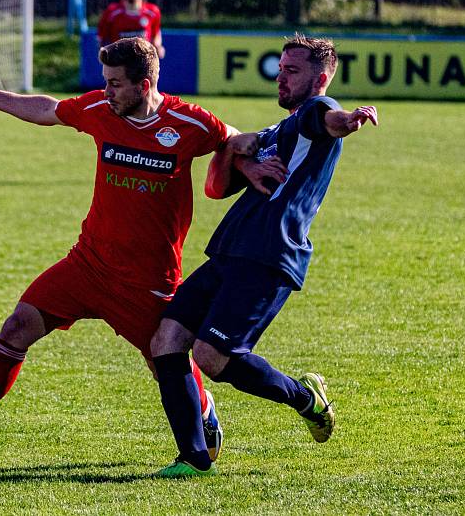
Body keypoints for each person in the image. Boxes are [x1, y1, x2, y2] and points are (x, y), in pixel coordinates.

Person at [0, 37, 262, 463]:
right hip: (88, 265)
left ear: (144, 84)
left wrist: (252, 163)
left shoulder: (189, 123)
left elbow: (234, 140)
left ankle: (203, 415)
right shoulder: (100, 110)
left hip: (147, 281)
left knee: (166, 362)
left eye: (115, 83)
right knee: (18, 325)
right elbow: (48, 109)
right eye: (105, 82)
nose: (106, 91)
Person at [149, 33, 380, 477]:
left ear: (322, 78)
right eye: (281, 69)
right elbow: (217, 184)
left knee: (212, 358)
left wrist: (351, 118)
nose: (282, 78)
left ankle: (305, 397)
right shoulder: (276, 132)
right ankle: (194, 459)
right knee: (167, 340)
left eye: (292, 71)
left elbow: (332, 119)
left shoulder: (314, 113)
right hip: (230, 250)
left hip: (269, 256)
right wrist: (241, 158)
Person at [97, 0, 165, 59]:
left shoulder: (153, 12)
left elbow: (156, 33)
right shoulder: (112, 12)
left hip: (142, 65)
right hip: (119, 65)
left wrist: (158, 46)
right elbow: (101, 39)